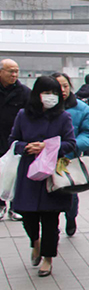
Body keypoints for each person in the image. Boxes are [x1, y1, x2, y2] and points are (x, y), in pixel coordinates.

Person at [8, 76, 76, 277]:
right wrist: (26, 147)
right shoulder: (23, 115)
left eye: (55, 93)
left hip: (51, 174)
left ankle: (48, 258)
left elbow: (70, 144)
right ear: (37, 94)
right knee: (27, 215)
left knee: (50, 218)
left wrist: (48, 147)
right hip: (28, 173)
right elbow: (13, 141)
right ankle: (35, 243)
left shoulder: (63, 117)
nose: (51, 97)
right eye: (47, 93)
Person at [54, 73, 89, 237]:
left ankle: (71, 217)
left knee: (70, 193)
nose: (63, 90)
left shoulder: (82, 109)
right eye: (58, 87)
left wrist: (70, 145)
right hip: (47, 160)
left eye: (65, 86)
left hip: (69, 159)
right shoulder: (42, 109)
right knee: (50, 194)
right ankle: (53, 225)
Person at [0, 58, 30, 221]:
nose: (14, 74)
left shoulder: (24, 92)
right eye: (10, 71)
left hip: (16, 140)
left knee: (15, 173)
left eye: (16, 71)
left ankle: (15, 207)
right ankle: (0, 204)